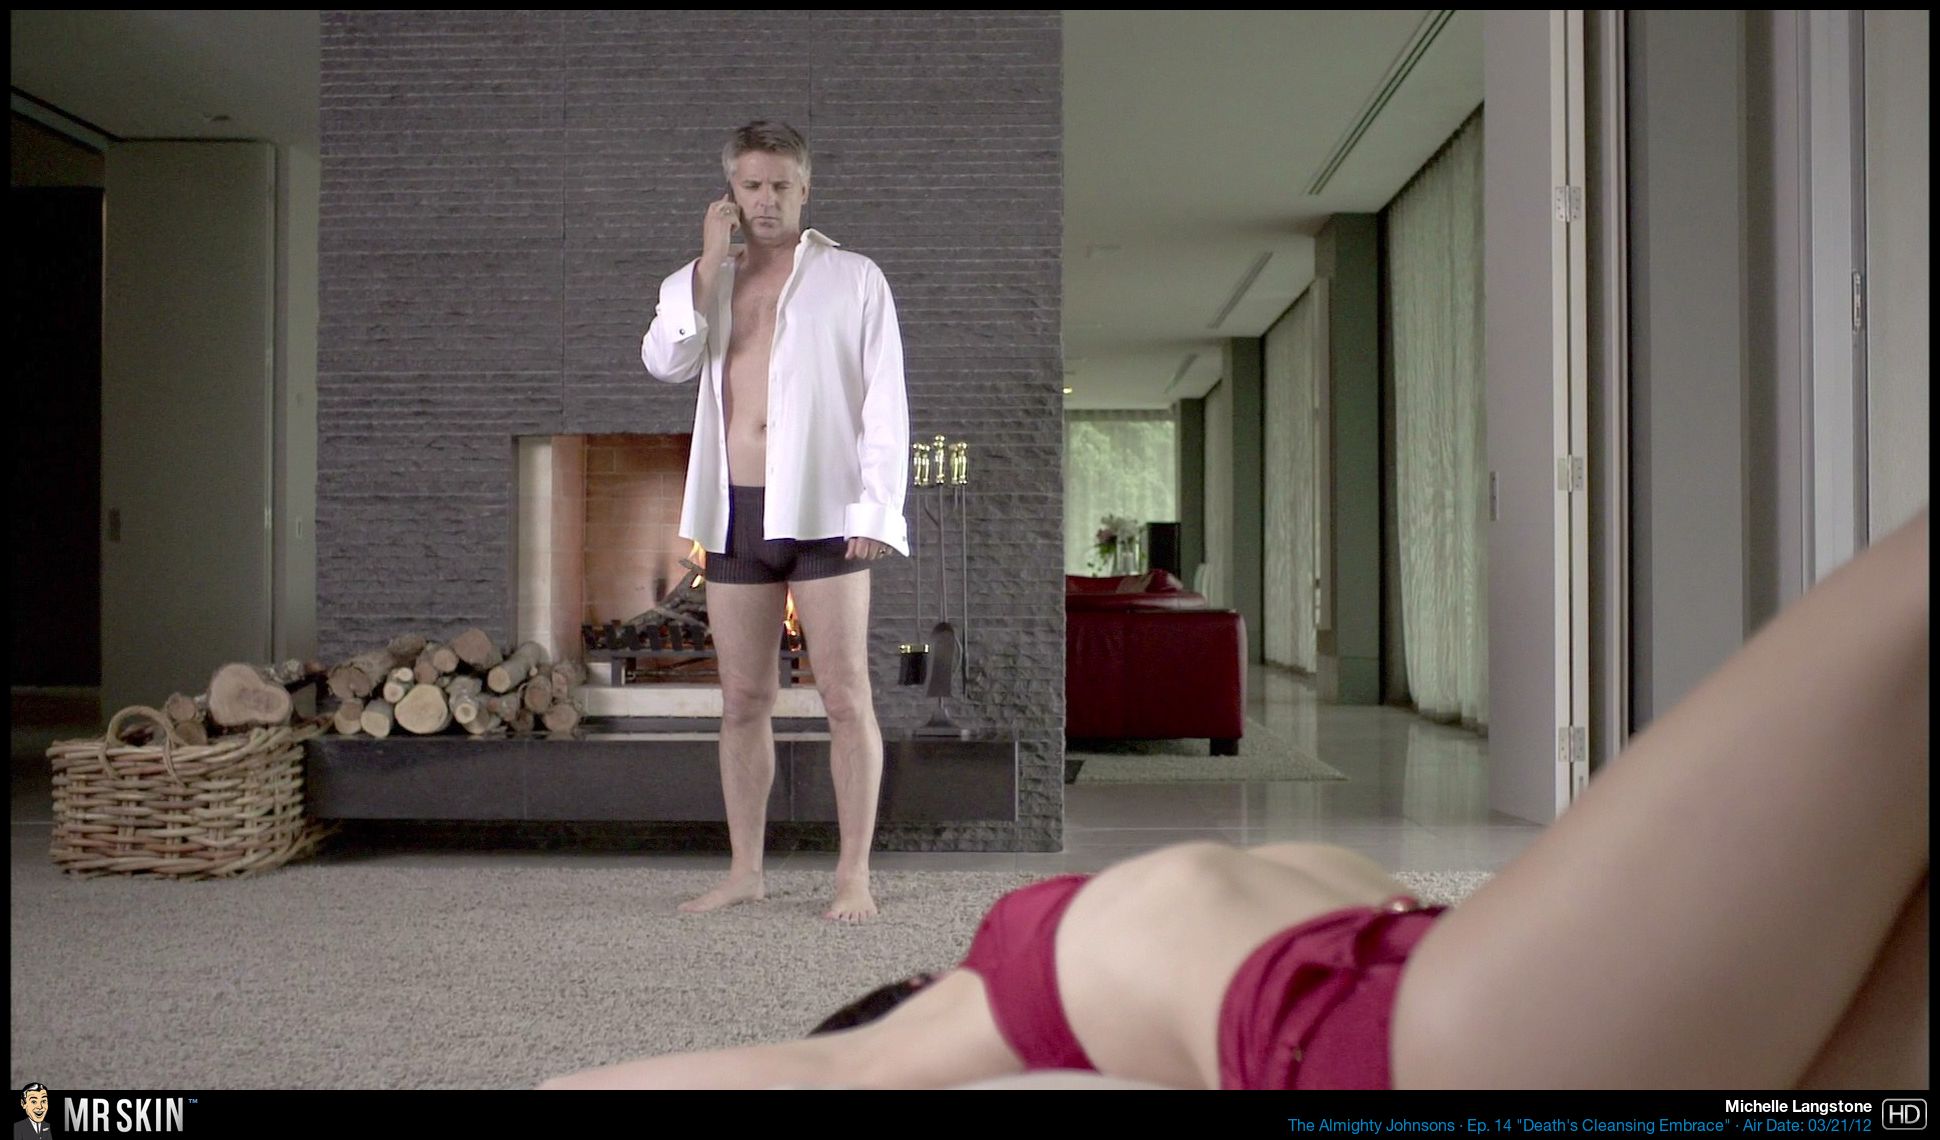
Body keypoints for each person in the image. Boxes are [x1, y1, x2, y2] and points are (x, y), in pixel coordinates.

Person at [541, 510, 1928, 1089]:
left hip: (1436, 1019)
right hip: (1413, 1032)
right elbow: (813, 1071)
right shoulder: (987, 994)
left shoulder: (1032, 985)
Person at [641, 122, 910, 922]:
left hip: (826, 509)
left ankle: (853, 875)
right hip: (734, 511)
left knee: (846, 696)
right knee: (742, 699)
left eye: (781, 186)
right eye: (751, 186)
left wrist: (877, 508)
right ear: (730, 192)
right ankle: (745, 871)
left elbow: (885, 400)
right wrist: (703, 268)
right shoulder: (702, 281)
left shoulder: (854, 278)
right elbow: (664, 362)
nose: (766, 200)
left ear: (805, 189)